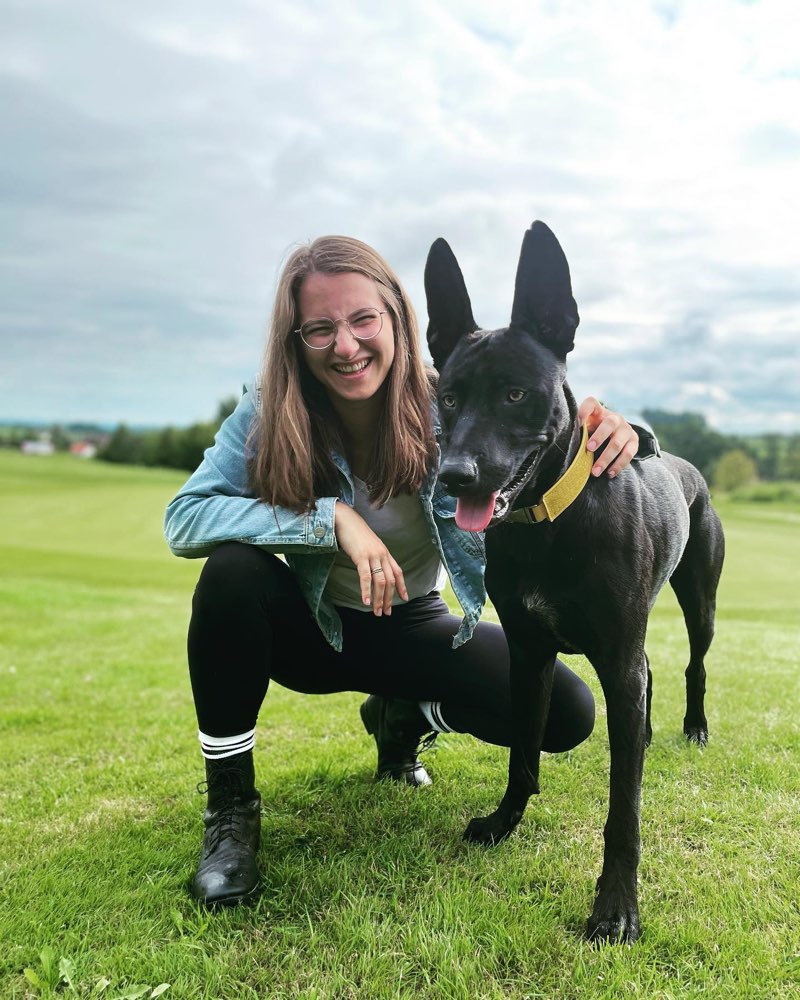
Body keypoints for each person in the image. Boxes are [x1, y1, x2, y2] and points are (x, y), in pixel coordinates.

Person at [163, 235, 647, 907]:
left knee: (566, 713)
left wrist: (624, 428)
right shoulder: (269, 411)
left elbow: (538, 411)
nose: (346, 344)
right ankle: (231, 814)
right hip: (315, 633)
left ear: (398, 319)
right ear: (295, 338)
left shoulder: (449, 400)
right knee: (231, 574)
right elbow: (183, 518)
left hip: (413, 626)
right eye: (320, 328)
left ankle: (405, 716)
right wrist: (329, 519)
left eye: (363, 319)